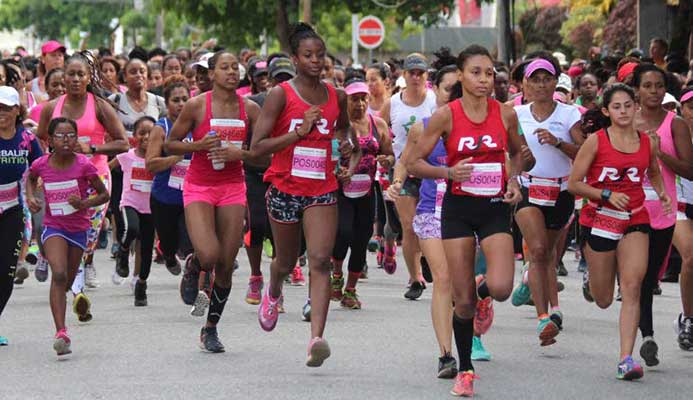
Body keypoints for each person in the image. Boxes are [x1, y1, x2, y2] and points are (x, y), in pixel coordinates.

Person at [405, 44, 525, 397]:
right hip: (457, 211)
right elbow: (414, 163)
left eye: (489, 73)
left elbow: (517, 154)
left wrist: (514, 180)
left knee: (501, 286)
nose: (484, 80)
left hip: (492, 207)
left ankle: (483, 294)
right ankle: (466, 369)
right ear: (461, 75)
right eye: (476, 72)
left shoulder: (505, 114)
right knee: (463, 302)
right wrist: (448, 171)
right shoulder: (446, 116)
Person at [251, 23, 358, 367]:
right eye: (308, 55)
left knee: (321, 260)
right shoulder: (281, 95)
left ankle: (316, 339)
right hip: (284, 187)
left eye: (320, 55)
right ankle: (274, 288)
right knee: (284, 261)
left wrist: (346, 147)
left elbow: (344, 129)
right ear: (295, 58)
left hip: (322, 188)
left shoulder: (336, 95)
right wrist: (298, 133)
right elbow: (257, 147)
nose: (316, 61)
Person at [568, 83, 671, 380]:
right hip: (599, 219)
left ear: (636, 106)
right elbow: (574, 184)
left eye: (628, 105)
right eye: (617, 107)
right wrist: (605, 194)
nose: (624, 111)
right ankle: (593, 278)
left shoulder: (647, 142)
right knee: (602, 299)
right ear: (606, 111)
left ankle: (626, 358)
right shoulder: (596, 142)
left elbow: (651, 170)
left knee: (633, 287)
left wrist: (662, 193)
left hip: (635, 217)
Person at [166, 50, 261, 353]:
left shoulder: (250, 110)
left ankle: (210, 328)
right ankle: (194, 264)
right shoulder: (196, 105)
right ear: (212, 73)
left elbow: (266, 154)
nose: (232, 72)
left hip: (232, 186)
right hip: (199, 186)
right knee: (208, 254)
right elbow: (170, 143)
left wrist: (241, 154)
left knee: (224, 264)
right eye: (224, 67)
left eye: (236, 67)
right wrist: (197, 146)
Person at [37, 51, 129, 315]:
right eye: (71, 74)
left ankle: (73, 284)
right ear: (63, 77)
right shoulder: (50, 108)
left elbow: (123, 142)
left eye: (81, 74)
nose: (75, 79)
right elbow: (42, 138)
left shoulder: (99, 106)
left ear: (89, 78)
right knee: (60, 232)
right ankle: (74, 287)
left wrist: (93, 147)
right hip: (59, 183)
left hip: (95, 179)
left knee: (86, 234)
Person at [511, 57, 584, 345]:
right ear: (525, 84)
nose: (541, 85)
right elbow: (509, 152)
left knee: (550, 255)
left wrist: (558, 143)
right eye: (535, 79)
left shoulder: (569, 115)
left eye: (547, 79)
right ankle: (544, 318)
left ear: (556, 83)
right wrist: (513, 177)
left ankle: (549, 303)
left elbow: (583, 153)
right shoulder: (515, 114)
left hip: (561, 191)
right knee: (538, 250)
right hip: (528, 188)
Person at [26, 117, 109, 357]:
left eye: (71, 135)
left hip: (78, 229)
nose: (66, 140)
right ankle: (61, 332)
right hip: (54, 227)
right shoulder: (41, 164)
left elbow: (103, 195)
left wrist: (83, 202)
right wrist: (31, 198)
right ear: (50, 140)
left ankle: (66, 315)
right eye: (61, 136)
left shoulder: (84, 165)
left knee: (67, 279)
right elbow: (30, 179)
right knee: (59, 274)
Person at [632, 64, 693, 366]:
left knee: (651, 276)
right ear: (637, 90)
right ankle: (647, 337)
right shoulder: (627, 120)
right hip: (630, 210)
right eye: (647, 86)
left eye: (658, 86)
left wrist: (659, 155)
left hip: (665, 211)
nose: (654, 91)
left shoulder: (675, 124)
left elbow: (690, 171)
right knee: (639, 277)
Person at [331, 78, 394, 309]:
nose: (359, 104)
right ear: (345, 101)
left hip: (368, 190)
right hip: (341, 190)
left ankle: (350, 291)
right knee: (343, 232)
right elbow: (328, 155)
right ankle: (336, 275)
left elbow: (389, 154)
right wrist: (339, 169)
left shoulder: (378, 125)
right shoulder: (337, 127)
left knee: (361, 239)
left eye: (363, 99)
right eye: (354, 99)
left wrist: (386, 159)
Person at [382, 53, 437, 300]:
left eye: (420, 73)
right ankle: (415, 278)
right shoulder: (393, 103)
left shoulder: (435, 102)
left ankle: (426, 259)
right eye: (411, 72)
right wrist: (386, 155)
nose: (416, 77)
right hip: (402, 170)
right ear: (404, 75)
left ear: (426, 76)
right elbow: (379, 131)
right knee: (408, 225)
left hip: (429, 169)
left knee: (427, 224)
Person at [243, 57, 296, 305]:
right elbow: (248, 145)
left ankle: (278, 284)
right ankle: (255, 276)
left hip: (288, 176)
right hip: (256, 173)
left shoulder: (303, 104)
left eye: (289, 78)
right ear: (270, 81)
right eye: (279, 79)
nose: (284, 83)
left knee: (282, 234)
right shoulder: (255, 104)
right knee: (256, 226)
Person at [145, 77, 195, 308]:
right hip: (164, 198)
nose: (181, 104)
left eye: (185, 99)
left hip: (191, 198)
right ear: (167, 103)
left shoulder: (198, 126)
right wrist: (174, 158)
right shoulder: (161, 128)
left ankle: (193, 280)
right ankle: (167, 255)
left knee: (193, 246)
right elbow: (151, 164)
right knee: (169, 243)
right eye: (176, 100)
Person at [0, 86, 43, 346]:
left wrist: (33, 191)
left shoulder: (27, 139)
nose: (1, 113)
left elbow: (40, 168)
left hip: (13, 211)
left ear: (17, 110)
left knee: (6, 272)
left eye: (6, 108)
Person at [110, 116, 158, 306]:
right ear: (134, 137)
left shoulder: (159, 158)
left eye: (151, 133)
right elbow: (106, 169)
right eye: (142, 133)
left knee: (146, 249)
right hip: (130, 203)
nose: (146, 137)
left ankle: (141, 285)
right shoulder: (127, 156)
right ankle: (123, 252)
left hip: (151, 208)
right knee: (132, 229)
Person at [673, 87, 693, 350]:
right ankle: (689, 318)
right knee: (691, 257)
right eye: (691, 106)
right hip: (679, 206)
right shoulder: (674, 134)